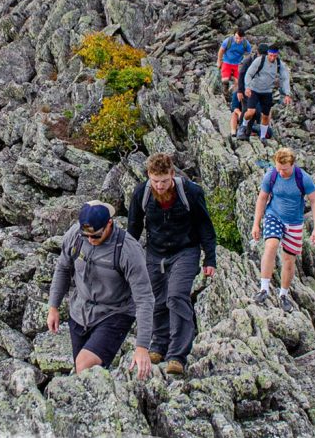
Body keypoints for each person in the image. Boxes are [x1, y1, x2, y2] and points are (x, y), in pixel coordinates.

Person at [127, 152, 218, 376]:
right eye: (155, 181)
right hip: (155, 252)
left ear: (172, 174)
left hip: (185, 250)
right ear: (149, 175)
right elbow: (134, 228)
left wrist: (210, 258)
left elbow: (205, 226)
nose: (159, 186)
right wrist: (126, 257)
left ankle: (177, 355)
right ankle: (158, 345)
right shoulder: (142, 193)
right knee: (155, 298)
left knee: (176, 295)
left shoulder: (191, 192)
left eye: (164, 181)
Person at [48, 201, 157, 378]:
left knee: (84, 364)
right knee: (82, 373)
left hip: (114, 313)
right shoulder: (75, 236)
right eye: (86, 236)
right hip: (79, 312)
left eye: (96, 236)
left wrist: (142, 347)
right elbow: (62, 268)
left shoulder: (128, 250)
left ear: (109, 224)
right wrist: (53, 306)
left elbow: (145, 298)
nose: (91, 240)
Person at [250, 147, 315, 312]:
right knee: (271, 245)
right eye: (278, 168)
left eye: (285, 169)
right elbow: (262, 198)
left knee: (289, 260)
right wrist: (256, 223)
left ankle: (283, 295)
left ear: (293, 164)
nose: (281, 172)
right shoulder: (271, 175)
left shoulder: (303, 178)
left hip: (294, 222)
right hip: (274, 215)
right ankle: (264, 289)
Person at [239, 47, 292, 141]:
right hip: (254, 90)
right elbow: (248, 74)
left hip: (267, 92)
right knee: (251, 112)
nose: (272, 58)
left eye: (274, 56)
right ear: (268, 53)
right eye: (271, 55)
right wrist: (247, 87)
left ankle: (263, 136)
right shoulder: (259, 61)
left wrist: (287, 94)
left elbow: (285, 78)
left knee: (265, 115)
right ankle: (243, 125)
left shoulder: (279, 64)